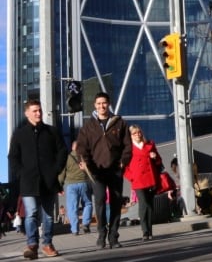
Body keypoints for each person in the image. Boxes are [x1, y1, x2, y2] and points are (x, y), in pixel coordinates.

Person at [8, 99, 68, 259]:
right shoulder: (19, 134)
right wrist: (21, 173)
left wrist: (56, 170)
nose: (38, 113)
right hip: (28, 181)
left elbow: (62, 151)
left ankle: (47, 244)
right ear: (27, 113)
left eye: (39, 110)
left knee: (48, 215)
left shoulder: (52, 131)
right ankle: (32, 245)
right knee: (32, 213)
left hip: (49, 180)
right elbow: (13, 157)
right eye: (34, 111)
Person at [77, 92, 132, 249]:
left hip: (115, 169)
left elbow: (127, 145)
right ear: (94, 105)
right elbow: (81, 147)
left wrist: (123, 162)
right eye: (99, 103)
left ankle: (113, 237)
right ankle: (101, 234)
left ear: (109, 104)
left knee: (116, 204)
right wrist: (85, 162)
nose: (102, 106)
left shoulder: (119, 123)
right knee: (99, 202)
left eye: (104, 103)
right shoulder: (88, 126)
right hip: (96, 171)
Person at [123, 125, 162, 241]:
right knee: (143, 203)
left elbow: (159, 161)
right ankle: (145, 231)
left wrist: (154, 157)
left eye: (139, 132)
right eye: (134, 133)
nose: (137, 135)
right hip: (138, 180)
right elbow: (124, 167)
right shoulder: (128, 149)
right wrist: (132, 177)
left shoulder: (150, 144)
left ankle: (149, 231)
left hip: (151, 179)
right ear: (130, 136)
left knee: (150, 205)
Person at [58, 141, 94, 236]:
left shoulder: (67, 157)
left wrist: (59, 185)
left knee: (72, 207)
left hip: (71, 185)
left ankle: (75, 229)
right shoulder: (84, 157)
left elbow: (62, 173)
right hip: (84, 183)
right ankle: (86, 223)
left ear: (72, 147)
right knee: (88, 203)